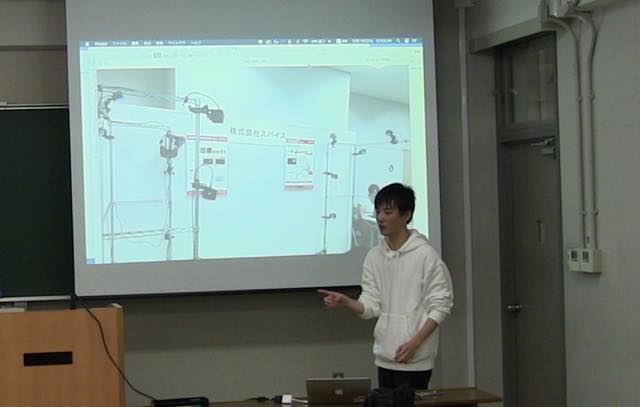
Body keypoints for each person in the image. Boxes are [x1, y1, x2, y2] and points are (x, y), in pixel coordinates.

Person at [319, 183, 453, 390]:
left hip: (415, 360)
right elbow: (371, 305)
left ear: (406, 215)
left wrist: (414, 343)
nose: (380, 218)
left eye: (388, 212)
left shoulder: (425, 256)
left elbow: (441, 306)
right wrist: (346, 301)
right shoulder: (374, 256)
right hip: (384, 357)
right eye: (378, 211)